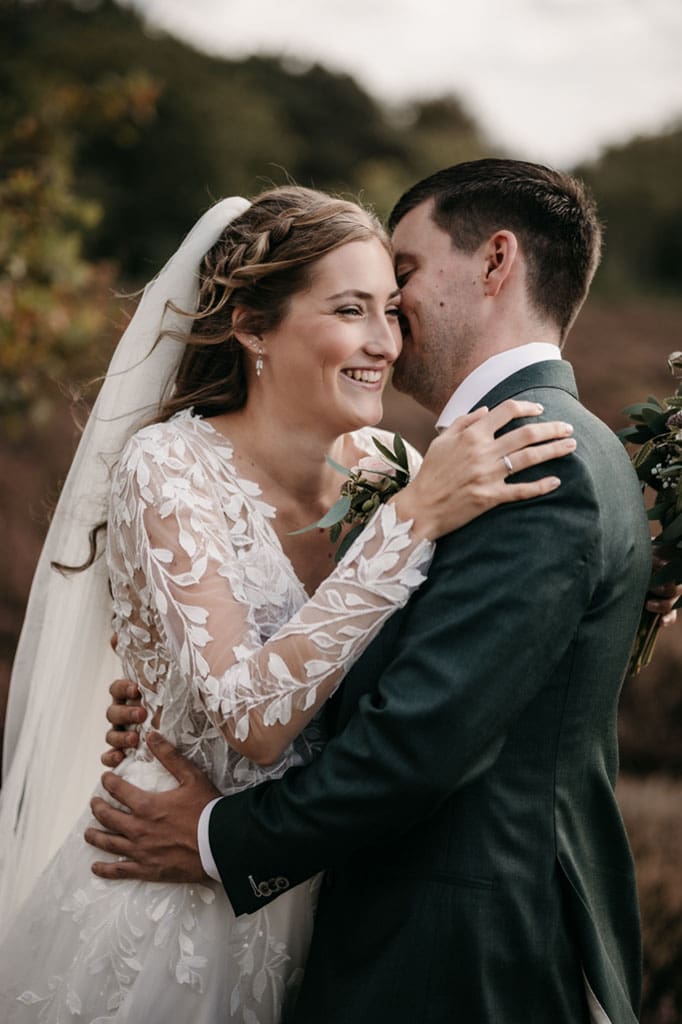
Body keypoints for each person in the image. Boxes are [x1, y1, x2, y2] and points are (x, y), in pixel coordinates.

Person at [87, 160, 669, 1024]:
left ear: (494, 261)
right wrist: (170, 699)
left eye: (396, 289)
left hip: (436, 936)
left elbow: (421, 739)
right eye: (356, 306)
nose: (389, 334)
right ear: (251, 325)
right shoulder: (440, 466)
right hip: (252, 909)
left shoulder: (515, 461)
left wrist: (217, 841)